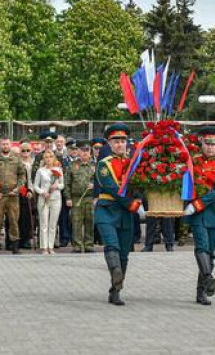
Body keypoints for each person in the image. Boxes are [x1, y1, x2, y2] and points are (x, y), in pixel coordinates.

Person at [94, 124, 144, 306]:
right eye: (116, 141)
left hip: (125, 214)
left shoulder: (133, 164)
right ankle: (115, 271)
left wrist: (139, 199)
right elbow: (112, 188)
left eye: (123, 141)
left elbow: (139, 185)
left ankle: (115, 291)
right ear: (109, 143)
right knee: (112, 244)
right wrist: (132, 204)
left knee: (124, 253)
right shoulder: (104, 164)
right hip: (107, 210)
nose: (120, 144)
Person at [183, 127, 215, 306]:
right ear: (201, 143)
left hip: (212, 211)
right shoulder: (192, 161)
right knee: (201, 246)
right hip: (197, 214)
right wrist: (191, 204)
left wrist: (197, 204)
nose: (210, 147)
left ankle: (201, 292)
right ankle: (208, 279)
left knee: (210, 253)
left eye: (214, 144)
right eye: (207, 143)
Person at [64, 140, 97, 253]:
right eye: (82, 150)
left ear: (90, 152)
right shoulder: (72, 165)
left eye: (87, 150)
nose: (85, 153)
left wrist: (94, 186)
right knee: (76, 222)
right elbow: (67, 183)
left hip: (90, 198)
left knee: (90, 222)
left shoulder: (94, 166)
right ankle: (77, 245)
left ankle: (89, 244)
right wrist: (68, 198)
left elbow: (100, 181)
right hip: (76, 199)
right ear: (78, 151)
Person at [32, 150, 64, 255]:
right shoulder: (40, 171)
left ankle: (51, 246)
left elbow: (62, 184)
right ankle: (44, 247)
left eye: (50, 157)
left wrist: (57, 186)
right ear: (44, 159)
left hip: (56, 199)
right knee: (44, 224)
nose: (48, 159)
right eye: (46, 157)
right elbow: (35, 186)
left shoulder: (58, 170)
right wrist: (42, 192)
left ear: (54, 158)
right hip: (44, 199)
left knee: (53, 224)